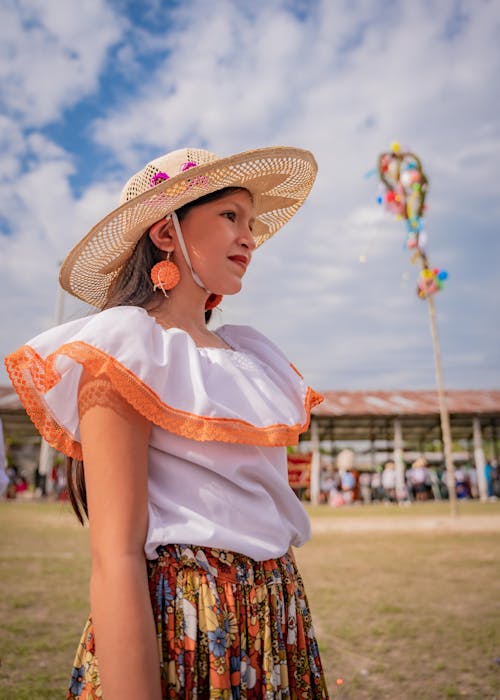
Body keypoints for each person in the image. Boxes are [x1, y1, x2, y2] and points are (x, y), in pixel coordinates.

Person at [5, 146, 329, 699]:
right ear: (165, 233)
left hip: (276, 617)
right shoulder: (124, 349)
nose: (250, 238)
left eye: (250, 222)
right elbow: (115, 555)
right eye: (230, 216)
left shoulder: (250, 354)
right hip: (188, 626)